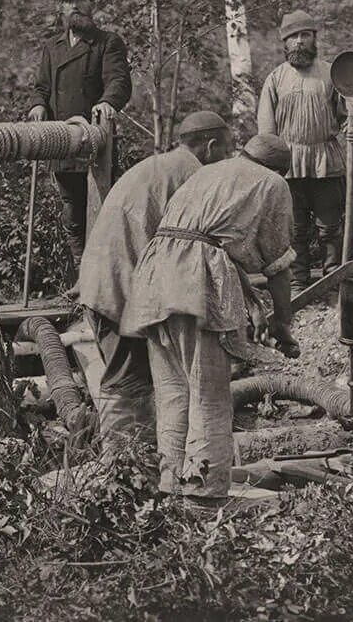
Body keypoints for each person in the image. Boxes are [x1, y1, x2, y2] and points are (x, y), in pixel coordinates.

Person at [121, 134, 299, 504]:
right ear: (281, 169)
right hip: (193, 280)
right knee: (209, 395)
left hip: (156, 274)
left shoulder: (211, 171)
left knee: (172, 392)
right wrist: (284, 323)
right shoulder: (272, 183)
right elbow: (278, 265)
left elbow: (206, 238)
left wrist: (251, 304)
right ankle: (205, 498)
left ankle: (169, 489)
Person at [71, 111, 231, 451]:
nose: (227, 159)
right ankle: (120, 474)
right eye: (227, 151)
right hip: (122, 288)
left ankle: (135, 465)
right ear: (212, 147)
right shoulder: (194, 176)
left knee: (136, 380)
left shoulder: (160, 165)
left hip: (105, 279)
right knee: (128, 382)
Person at [27, 0, 132, 275]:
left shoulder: (107, 42)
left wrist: (108, 102)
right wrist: (37, 105)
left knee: (101, 208)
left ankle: (105, 278)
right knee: (71, 211)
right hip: (62, 141)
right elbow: (41, 87)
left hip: (96, 142)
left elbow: (119, 81)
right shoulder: (52, 48)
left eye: (81, 1)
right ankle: (80, 275)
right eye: (69, 2)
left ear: (91, 6)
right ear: (61, 9)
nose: (75, 6)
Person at [256, 9, 353, 287]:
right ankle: (297, 285)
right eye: (293, 37)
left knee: (329, 229)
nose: (300, 41)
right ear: (285, 44)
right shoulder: (275, 79)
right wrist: (271, 165)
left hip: (326, 161)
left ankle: (331, 282)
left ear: (315, 39)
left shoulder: (332, 73)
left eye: (305, 35)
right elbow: (265, 133)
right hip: (288, 165)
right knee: (294, 230)